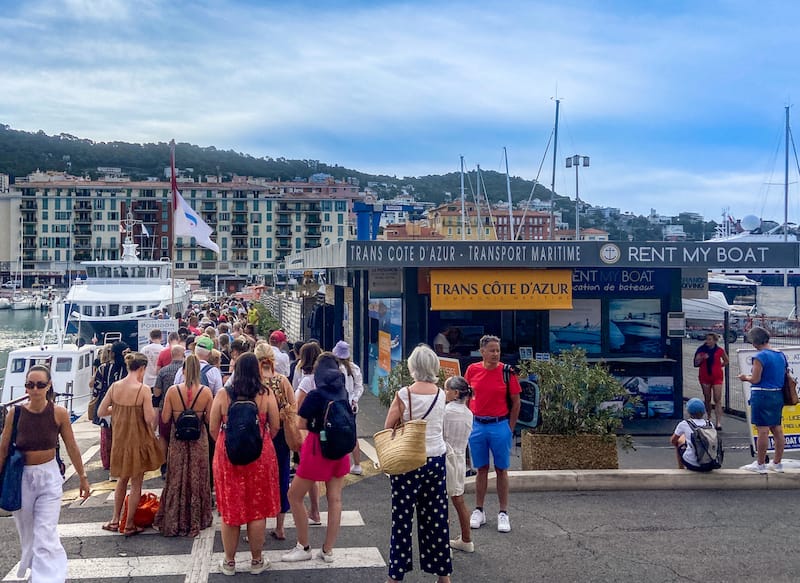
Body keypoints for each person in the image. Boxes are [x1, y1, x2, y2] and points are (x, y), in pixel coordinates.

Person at [0, 365, 91, 581]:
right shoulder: (16, 413)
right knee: (28, 533)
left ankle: (48, 578)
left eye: (40, 384)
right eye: (30, 385)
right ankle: (39, 573)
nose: (35, 389)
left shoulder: (59, 413)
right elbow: (3, 449)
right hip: (22, 478)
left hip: (49, 477)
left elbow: (71, 446)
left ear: (49, 385)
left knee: (45, 532)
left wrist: (82, 477)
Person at [382, 344, 451, 583]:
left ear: (413, 367)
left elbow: (388, 427)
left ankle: (396, 575)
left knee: (402, 519)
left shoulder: (404, 394)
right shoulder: (442, 394)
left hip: (408, 462)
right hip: (435, 459)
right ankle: (443, 575)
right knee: (436, 517)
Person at [210, 352, 281, 576]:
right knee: (256, 509)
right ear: (257, 370)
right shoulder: (265, 394)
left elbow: (213, 428)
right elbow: (276, 426)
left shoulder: (223, 394)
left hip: (228, 456)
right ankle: (257, 561)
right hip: (260, 455)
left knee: (230, 508)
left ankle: (229, 562)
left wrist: (228, 442)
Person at [281, 353, 350, 565]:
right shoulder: (343, 392)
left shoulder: (315, 395)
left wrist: (315, 425)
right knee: (335, 499)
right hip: (340, 448)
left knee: (294, 495)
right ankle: (328, 550)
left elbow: (300, 423)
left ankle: (303, 545)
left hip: (317, 449)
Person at [97, 352, 164, 536]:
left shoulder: (115, 387)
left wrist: (118, 410)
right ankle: (129, 524)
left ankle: (114, 519)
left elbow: (102, 411)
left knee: (121, 480)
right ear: (142, 369)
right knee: (136, 483)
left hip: (120, 440)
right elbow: (149, 417)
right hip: (138, 440)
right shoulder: (142, 390)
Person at [464, 334, 520, 533]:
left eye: (498, 350)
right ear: (482, 352)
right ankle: (479, 510)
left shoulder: (507, 372)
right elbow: (466, 396)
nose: (495, 354)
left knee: (501, 470)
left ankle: (503, 512)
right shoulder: (472, 370)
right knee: (481, 469)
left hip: (499, 425)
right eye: (492, 350)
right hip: (477, 425)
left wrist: (509, 427)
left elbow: (516, 401)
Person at [154, 354, 214, 537]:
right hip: (198, 440)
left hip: (178, 439)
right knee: (197, 476)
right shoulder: (206, 392)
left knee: (177, 477)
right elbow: (209, 420)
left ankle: (175, 518)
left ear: (183, 369)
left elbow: (164, 418)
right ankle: (197, 517)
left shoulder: (172, 391)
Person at [254, 341, 297, 541]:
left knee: (259, 479)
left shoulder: (254, 383)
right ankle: (280, 527)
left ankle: (257, 528)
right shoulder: (282, 380)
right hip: (281, 437)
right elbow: (293, 405)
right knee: (281, 478)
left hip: (259, 435)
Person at [738, 326, 786, 473]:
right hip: (777, 395)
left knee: (763, 431)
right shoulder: (780, 355)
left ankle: (760, 464)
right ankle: (777, 463)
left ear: (754, 343)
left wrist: (745, 377)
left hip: (762, 395)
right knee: (777, 429)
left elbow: (756, 379)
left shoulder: (760, 357)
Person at [443, 375, 475, 553]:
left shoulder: (446, 411)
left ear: (455, 393)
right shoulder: (468, 414)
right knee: (459, 500)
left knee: (442, 503)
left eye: (446, 389)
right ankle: (466, 539)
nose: (444, 392)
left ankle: (443, 546)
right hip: (460, 460)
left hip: (446, 459)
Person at [92, 341, 129, 473]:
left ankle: (108, 462)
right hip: (125, 406)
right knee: (123, 436)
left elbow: (96, 389)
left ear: (112, 353)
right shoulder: (129, 369)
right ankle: (122, 461)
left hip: (106, 406)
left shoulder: (103, 368)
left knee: (107, 436)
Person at [331, 340, 365, 475]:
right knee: (352, 435)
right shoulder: (354, 368)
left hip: (336, 405)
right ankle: (357, 465)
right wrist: (355, 400)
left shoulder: (334, 369)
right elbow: (359, 386)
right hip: (351, 406)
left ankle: (337, 465)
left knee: (334, 434)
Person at [153, 345, 185, 477]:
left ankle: (164, 465)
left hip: (164, 408)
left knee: (164, 437)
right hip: (181, 409)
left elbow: (156, 392)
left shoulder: (163, 371)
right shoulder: (185, 370)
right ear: (183, 355)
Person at [694, 333, 729, 430]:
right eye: (707, 339)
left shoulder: (719, 350)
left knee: (717, 399)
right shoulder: (701, 350)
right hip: (705, 376)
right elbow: (696, 363)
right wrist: (701, 358)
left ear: (714, 341)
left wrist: (719, 366)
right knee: (707, 398)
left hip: (717, 376)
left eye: (710, 339)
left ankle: (718, 422)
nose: (708, 341)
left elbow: (726, 360)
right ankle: (709, 417)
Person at [670, 398, 714, 471]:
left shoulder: (684, 424)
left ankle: (681, 469)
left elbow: (673, 441)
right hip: (710, 463)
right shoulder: (710, 424)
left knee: (679, 441)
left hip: (692, 464)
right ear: (703, 412)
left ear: (688, 412)